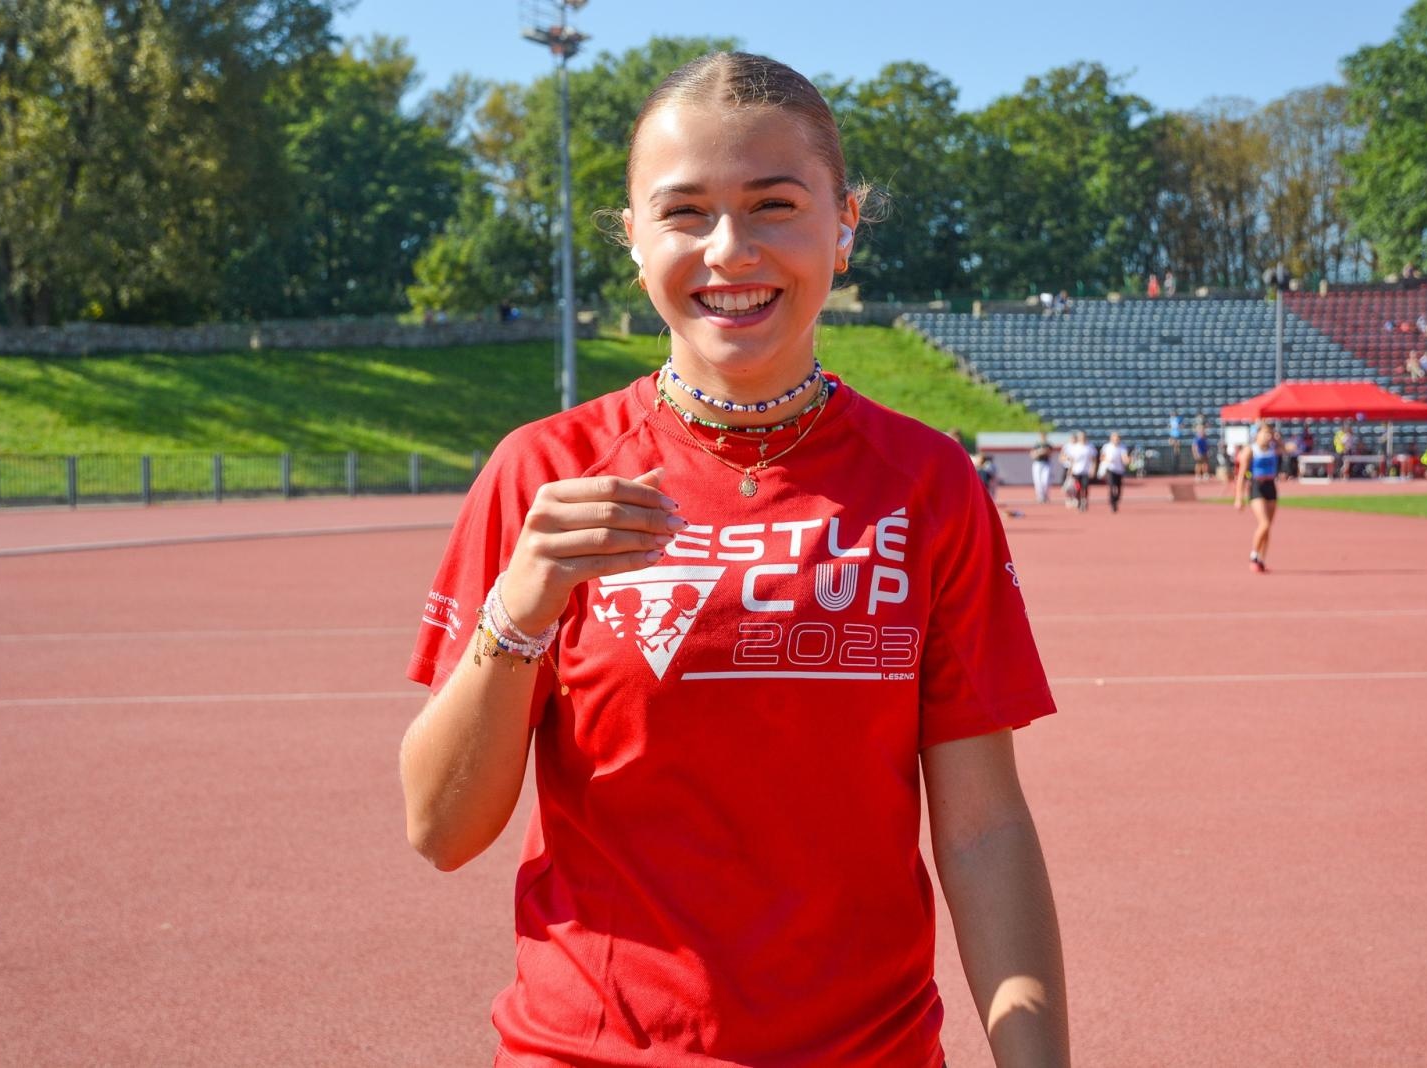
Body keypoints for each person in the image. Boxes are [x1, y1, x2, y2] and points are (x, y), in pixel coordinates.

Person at [397, 52, 1068, 1068]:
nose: (729, 250)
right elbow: (441, 829)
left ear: (843, 227)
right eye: (683, 213)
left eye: (773, 204)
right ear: (630, 238)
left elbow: (981, 828)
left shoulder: (927, 482)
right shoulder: (545, 475)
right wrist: (522, 607)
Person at [1234, 423, 1282, 572]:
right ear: (1258, 434)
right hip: (1257, 487)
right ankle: (1254, 555)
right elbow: (1241, 474)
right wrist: (1238, 497)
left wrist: (1278, 439)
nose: (1268, 436)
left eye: (1270, 433)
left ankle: (1261, 560)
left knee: (1268, 528)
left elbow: (1287, 450)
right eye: (1265, 433)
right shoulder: (1251, 450)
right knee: (1264, 523)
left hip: (1271, 486)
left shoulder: (1273, 449)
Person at [1098, 432, 1130, 513]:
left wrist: (1127, 461)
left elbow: (1124, 458)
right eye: (1115, 438)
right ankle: (1112, 503)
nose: (1116, 440)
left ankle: (1116, 499)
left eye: (1118, 438)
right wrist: (1107, 460)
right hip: (1110, 469)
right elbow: (1102, 457)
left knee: (1119, 488)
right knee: (1112, 486)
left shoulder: (1122, 447)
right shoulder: (1107, 447)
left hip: (1119, 470)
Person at [1064, 430, 1095, 512]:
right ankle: (1079, 500)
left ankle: (1084, 501)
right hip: (1076, 471)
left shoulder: (1090, 447)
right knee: (1078, 488)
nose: (1083, 438)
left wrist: (1093, 469)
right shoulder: (1075, 447)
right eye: (1081, 437)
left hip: (1086, 471)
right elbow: (1071, 459)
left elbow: (1093, 459)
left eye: (1084, 437)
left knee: (1085, 487)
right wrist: (1070, 470)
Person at [1030, 431, 1054, 504]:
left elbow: (1050, 453)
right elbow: (1032, 454)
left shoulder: (1048, 445)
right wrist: (1039, 452)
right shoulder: (1036, 445)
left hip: (1046, 463)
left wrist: (1044, 451)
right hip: (1037, 463)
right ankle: (1040, 497)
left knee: (1045, 480)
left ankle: (1046, 496)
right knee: (1038, 481)